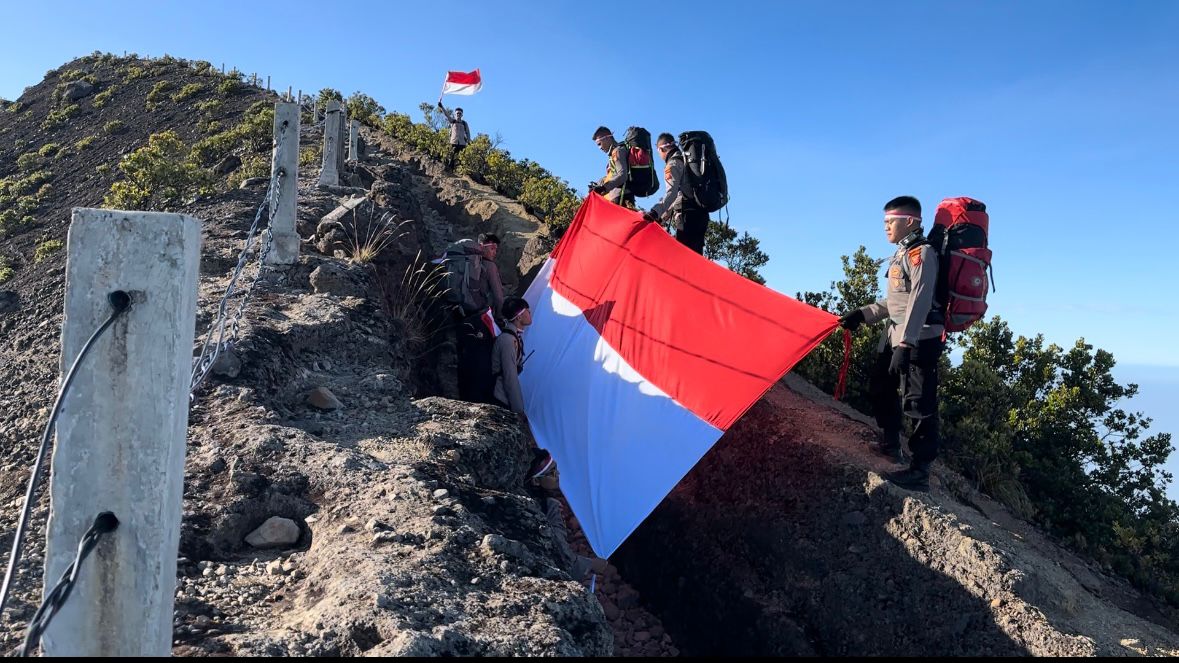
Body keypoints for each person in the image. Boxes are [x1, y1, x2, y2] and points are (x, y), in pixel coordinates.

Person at [839, 196, 945, 492]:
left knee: (919, 403)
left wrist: (906, 344)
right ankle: (891, 444)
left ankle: (920, 471)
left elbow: (921, 301)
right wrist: (862, 315)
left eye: (890, 222)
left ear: (909, 221)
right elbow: (896, 302)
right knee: (880, 385)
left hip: (918, 338)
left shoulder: (922, 254)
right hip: (895, 334)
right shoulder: (902, 254)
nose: (885, 227)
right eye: (884, 222)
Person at [491, 296, 555, 479]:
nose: (530, 313)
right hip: (500, 397)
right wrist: (518, 409)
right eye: (526, 310)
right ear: (519, 317)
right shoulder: (507, 341)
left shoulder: (513, 337)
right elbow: (509, 377)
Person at [455, 234, 505, 403]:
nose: (494, 252)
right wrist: (499, 319)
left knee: (462, 356)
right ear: (482, 245)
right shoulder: (489, 266)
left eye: (496, 250)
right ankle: (481, 399)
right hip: (479, 317)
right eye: (492, 248)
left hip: (456, 312)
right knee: (482, 360)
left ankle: (461, 393)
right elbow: (498, 297)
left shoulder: (461, 259)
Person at [644, 133, 709, 254]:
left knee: (685, 258)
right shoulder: (687, 160)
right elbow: (680, 194)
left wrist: (655, 213)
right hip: (701, 212)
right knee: (696, 257)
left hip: (686, 217)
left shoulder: (673, 164)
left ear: (662, 149)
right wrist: (663, 217)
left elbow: (672, 194)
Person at [589, 126, 634, 209]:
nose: (599, 148)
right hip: (621, 196)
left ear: (607, 138)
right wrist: (599, 184)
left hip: (621, 197)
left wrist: (604, 188)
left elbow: (622, 175)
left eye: (599, 144)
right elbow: (613, 175)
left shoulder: (617, 151)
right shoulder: (615, 153)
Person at [436, 100, 471, 172]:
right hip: (453, 142)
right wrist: (441, 107)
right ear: (455, 114)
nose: (458, 114)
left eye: (460, 113)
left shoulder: (464, 123)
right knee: (451, 157)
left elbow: (468, 132)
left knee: (461, 159)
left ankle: (461, 172)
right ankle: (450, 171)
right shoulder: (453, 121)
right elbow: (446, 115)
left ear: (462, 115)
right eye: (457, 113)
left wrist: (469, 141)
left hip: (462, 143)